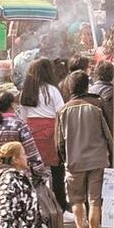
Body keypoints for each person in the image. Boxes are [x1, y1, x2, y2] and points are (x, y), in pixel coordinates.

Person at [55, 71, 112, 228]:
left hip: (74, 161)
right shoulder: (96, 107)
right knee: (94, 200)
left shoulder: (62, 110)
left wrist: (65, 159)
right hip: (97, 160)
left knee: (76, 199)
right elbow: (108, 135)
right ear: (86, 86)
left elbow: (60, 142)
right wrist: (112, 157)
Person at [19, 58, 67, 208]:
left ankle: (34, 204)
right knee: (56, 169)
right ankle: (59, 203)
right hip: (51, 132)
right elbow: (61, 112)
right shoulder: (52, 90)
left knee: (32, 169)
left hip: (31, 132)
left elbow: (23, 116)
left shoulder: (25, 91)